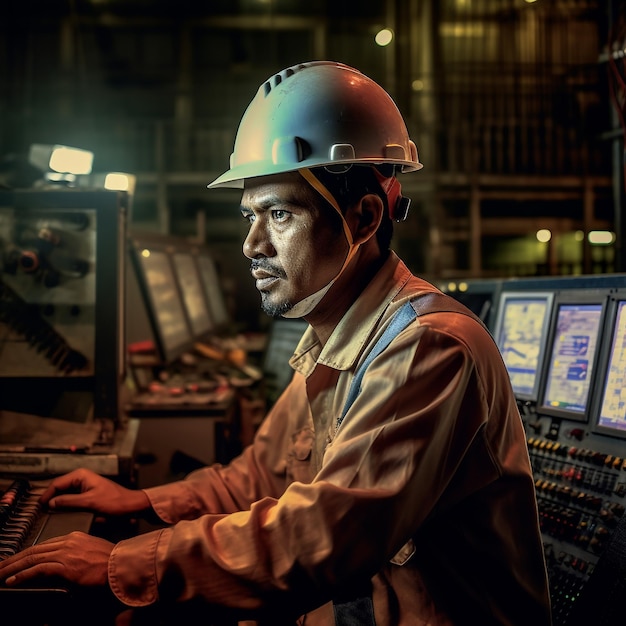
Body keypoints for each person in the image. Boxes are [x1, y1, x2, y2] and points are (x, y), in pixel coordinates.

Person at [0, 61, 552, 625]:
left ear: (362, 218)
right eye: (250, 216)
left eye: (279, 214)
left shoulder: (429, 349)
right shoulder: (335, 336)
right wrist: (144, 503)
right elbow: (262, 475)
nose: (251, 245)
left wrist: (125, 563)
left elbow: (322, 537)